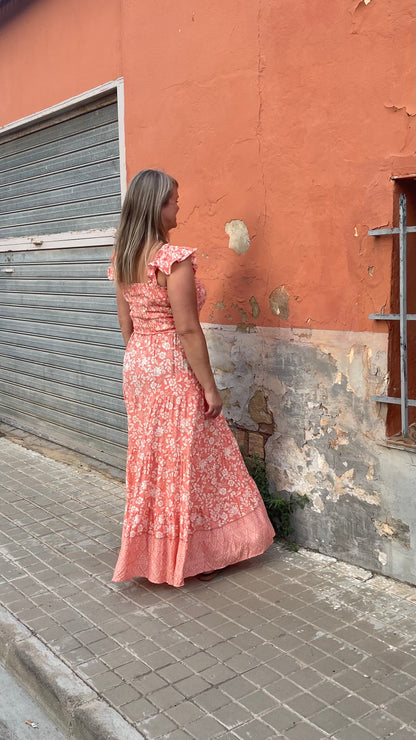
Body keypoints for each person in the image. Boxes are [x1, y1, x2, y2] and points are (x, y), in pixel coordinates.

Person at [109, 169, 275, 587]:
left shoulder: (124, 258)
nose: (179, 205)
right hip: (171, 364)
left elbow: (125, 323)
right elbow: (187, 330)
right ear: (156, 206)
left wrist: (141, 358)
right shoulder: (172, 259)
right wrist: (209, 387)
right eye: (173, 200)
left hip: (139, 363)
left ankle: (162, 551)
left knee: (154, 457)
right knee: (193, 459)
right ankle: (199, 554)